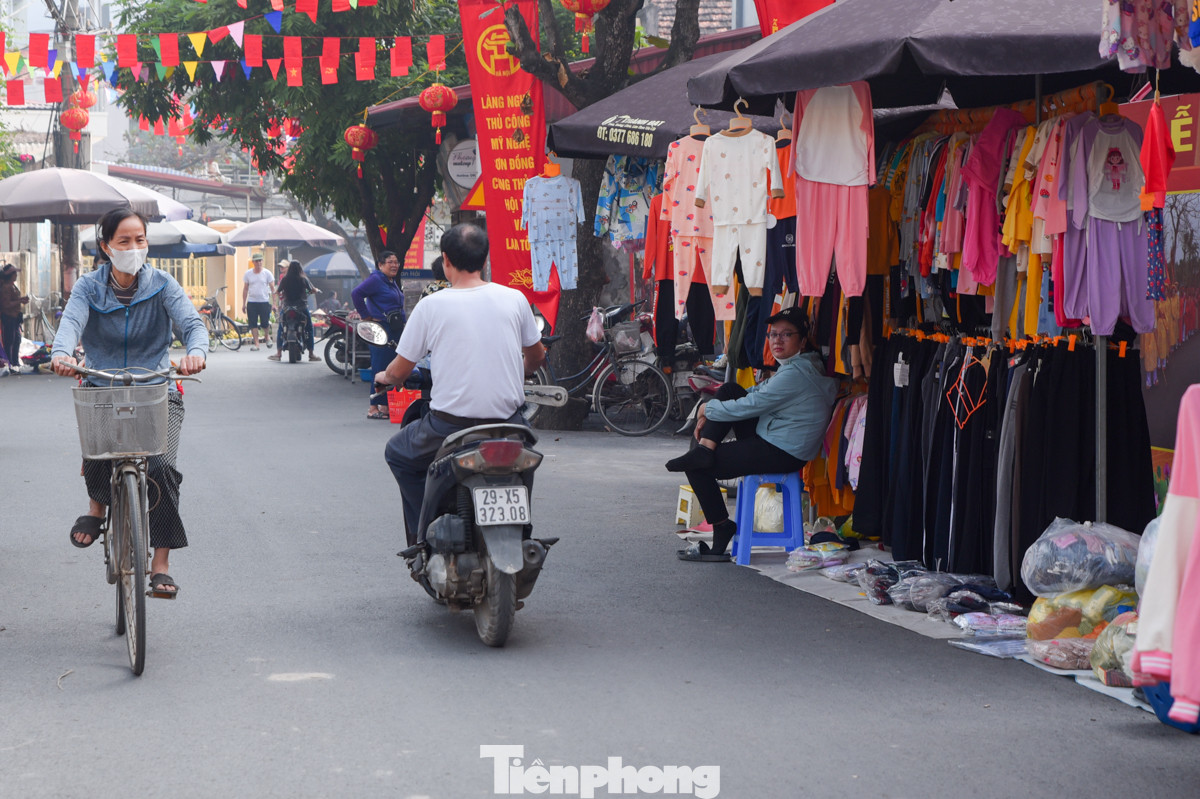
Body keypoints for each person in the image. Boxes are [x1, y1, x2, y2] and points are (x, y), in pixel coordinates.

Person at [51, 208, 208, 597]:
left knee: (162, 468)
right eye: (124, 241)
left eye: (140, 239)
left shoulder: (163, 284)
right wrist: (62, 354)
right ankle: (96, 510)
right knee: (99, 451)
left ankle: (161, 563)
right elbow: (70, 324)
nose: (134, 247)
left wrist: (196, 352)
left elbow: (192, 325)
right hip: (102, 384)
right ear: (105, 246)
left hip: (157, 388)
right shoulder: (88, 287)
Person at [378, 223, 546, 543]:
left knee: (398, 454)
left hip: (449, 427)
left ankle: (424, 535)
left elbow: (399, 372)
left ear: (445, 261)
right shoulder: (515, 299)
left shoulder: (432, 305)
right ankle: (521, 533)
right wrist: (518, 372)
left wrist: (385, 377)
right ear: (484, 260)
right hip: (509, 424)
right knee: (523, 465)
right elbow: (537, 357)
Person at [667, 306, 837, 562]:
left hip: (782, 451)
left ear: (802, 340)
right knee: (731, 390)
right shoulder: (801, 366)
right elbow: (756, 394)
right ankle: (704, 450)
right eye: (773, 334)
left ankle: (722, 524)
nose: (777, 340)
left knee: (698, 468)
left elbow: (751, 406)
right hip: (778, 438)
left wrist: (705, 408)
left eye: (786, 335)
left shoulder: (796, 374)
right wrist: (712, 410)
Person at [352, 249, 405, 420]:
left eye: (396, 262)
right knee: (380, 366)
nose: (394, 265)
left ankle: (385, 405)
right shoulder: (376, 279)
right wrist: (366, 316)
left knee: (391, 366)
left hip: (394, 329)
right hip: (381, 330)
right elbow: (356, 294)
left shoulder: (391, 281)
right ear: (380, 265)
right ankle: (373, 407)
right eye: (390, 262)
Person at [268, 261, 319, 362]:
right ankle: (311, 354)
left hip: (287, 307)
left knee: (281, 328)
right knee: (309, 328)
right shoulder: (303, 279)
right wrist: (315, 290)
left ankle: (278, 353)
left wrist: (278, 294)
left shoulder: (285, 279)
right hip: (301, 308)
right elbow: (312, 290)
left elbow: (277, 291)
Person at [242, 253, 274, 351]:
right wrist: (243, 304)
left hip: (264, 301)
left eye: (260, 260)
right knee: (253, 323)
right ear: (253, 262)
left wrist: (274, 304)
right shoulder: (248, 274)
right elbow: (245, 289)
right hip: (252, 302)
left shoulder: (267, 273)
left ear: (262, 261)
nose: (259, 263)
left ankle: (267, 336)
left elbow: (273, 289)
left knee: (265, 322)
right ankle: (257, 344)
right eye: (256, 261)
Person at [0, 263, 29, 373]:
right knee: (9, 340)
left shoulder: (12, 286)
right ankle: (10, 363)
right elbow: (6, 304)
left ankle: (15, 362)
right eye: (14, 273)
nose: (16, 275)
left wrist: (21, 300)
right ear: (10, 275)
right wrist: (20, 301)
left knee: (16, 339)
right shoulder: (6, 288)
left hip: (14, 317)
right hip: (8, 317)